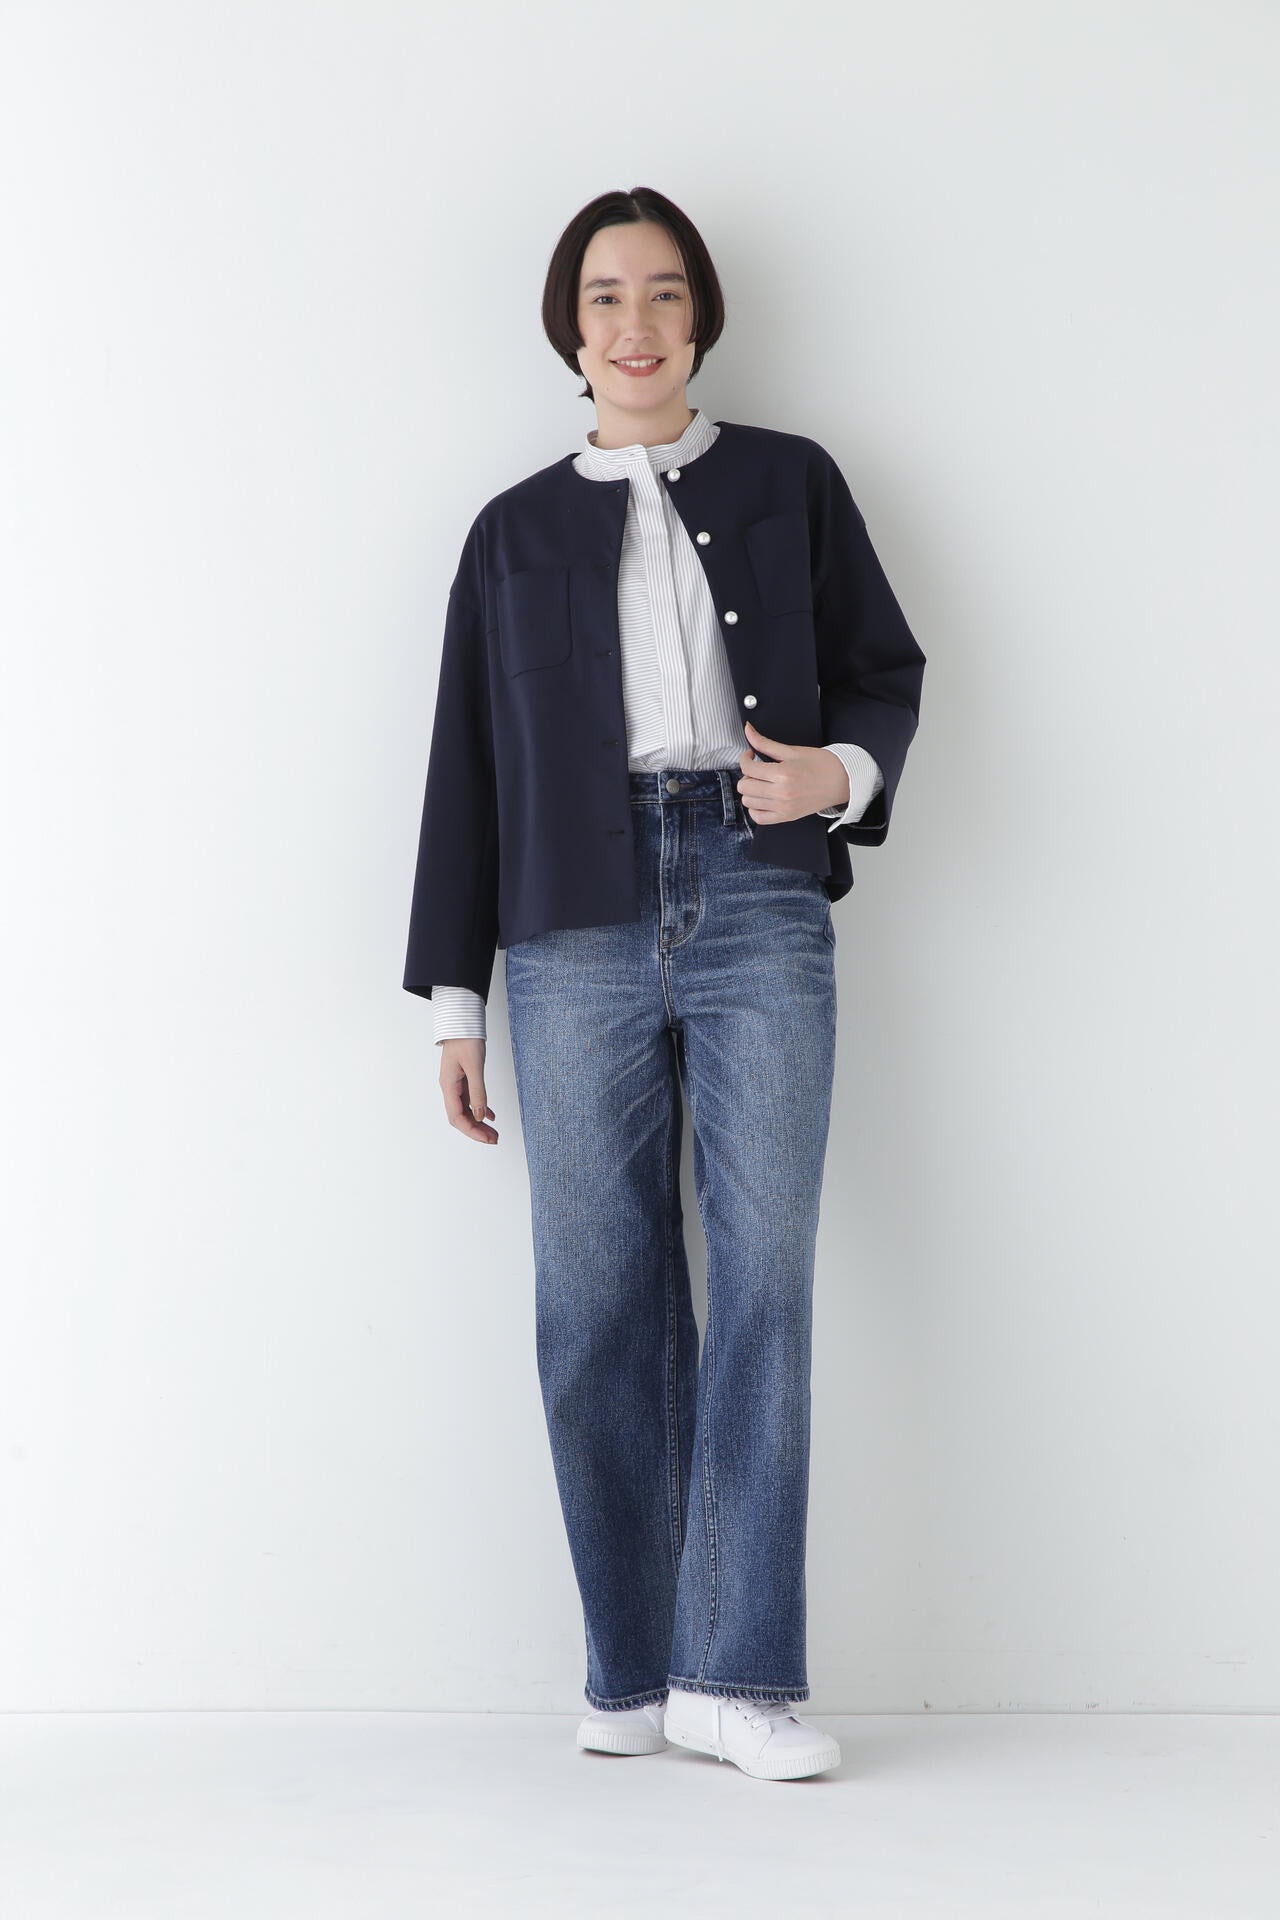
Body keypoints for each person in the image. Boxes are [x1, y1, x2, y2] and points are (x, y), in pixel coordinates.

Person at [403, 186, 926, 1781]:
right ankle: (634, 1669)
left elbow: (884, 670)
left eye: (665, 294)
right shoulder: (509, 533)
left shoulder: (791, 479)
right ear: (570, 328)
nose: (637, 325)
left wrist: (834, 774)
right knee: (596, 1296)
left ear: (702, 317)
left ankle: (736, 1676)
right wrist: (456, 1003)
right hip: (567, 922)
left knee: (764, 1278)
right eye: (606, 297)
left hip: (761, 891)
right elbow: (467, 772)